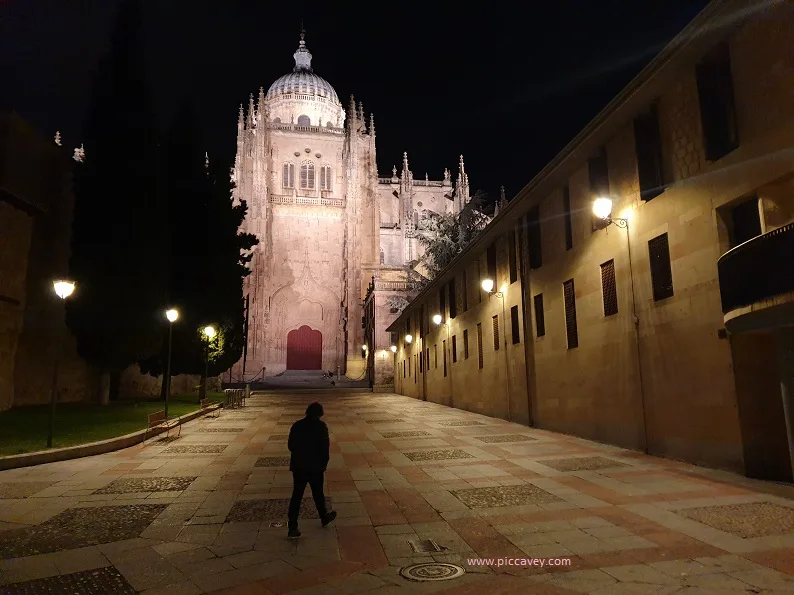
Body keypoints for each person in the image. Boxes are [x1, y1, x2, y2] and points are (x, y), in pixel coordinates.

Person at [287, 402, 337, 538]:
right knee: (318, 493)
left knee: (296, 496)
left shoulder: (297, 425)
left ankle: (292, 526)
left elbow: (290, 445)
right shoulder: (321, 427)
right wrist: (324, 463)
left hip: (299, 466)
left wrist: (300, 454)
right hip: (315, 467)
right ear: (320, 414)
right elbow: (325, 447)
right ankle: (323, 516)